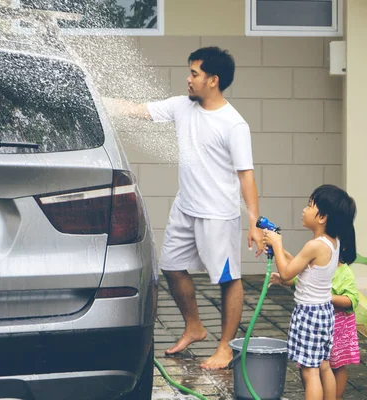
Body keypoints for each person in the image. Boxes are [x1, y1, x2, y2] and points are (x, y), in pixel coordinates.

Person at [103, 46, 263, 370]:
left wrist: (254, 221)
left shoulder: (234, 124)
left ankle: (226, 348)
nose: (188, 79)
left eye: (194, 74)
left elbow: (246, 175)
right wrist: (97, 99)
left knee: (228, 280)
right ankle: (195, 327)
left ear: (213, 80)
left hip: (218, 214)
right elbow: (137, 110)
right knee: (171, 266)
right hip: (185, 206)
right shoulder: (182, 106)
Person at [262, 184, 357, 400]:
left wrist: (277, 244)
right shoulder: (333, 243)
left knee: (309, 370)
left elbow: (287, 273)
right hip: (324, 313)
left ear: (322, 217)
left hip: (309, 314)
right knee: (323, 365)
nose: (304, 210)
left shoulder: (314, 246)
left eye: (309, 205)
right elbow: (304, 272)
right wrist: (282, 253)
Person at [270, 260, 361, 400]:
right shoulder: (314, 268)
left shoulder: (344, 272)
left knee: (336, 363)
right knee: (309, 364)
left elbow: (351, 299)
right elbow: (296, 280)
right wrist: (281, 280)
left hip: (338, 325)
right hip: (314, 322)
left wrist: (327, 297)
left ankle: (336, 396)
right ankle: (314, 393)